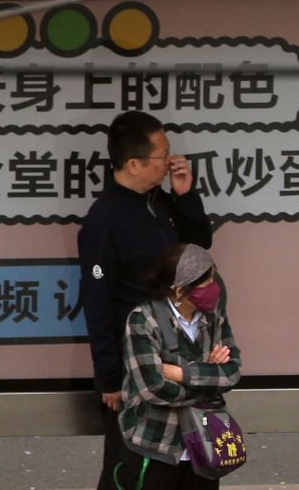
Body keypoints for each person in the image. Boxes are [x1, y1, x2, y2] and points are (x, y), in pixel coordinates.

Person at [78, 111, 213, 490]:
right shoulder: (105, 220)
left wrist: (185, 196)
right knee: (134, 468)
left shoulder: (160, 203)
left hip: (183, 356)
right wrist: (110, 379)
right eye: (162, 155)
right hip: (135, 365)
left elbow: (199, 245)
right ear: (133, 163)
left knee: (193, 462)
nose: (171, 161)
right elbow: (98, 304)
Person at [116, 243, 241, 489]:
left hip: (206, 445)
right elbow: (153, 388)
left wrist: (182, 373)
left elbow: (232, 371)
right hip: (156, 444)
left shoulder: (214, 316)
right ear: (181, 290)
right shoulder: (143, 320)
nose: (214, 288)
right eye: (207, 283)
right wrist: (208, 382)